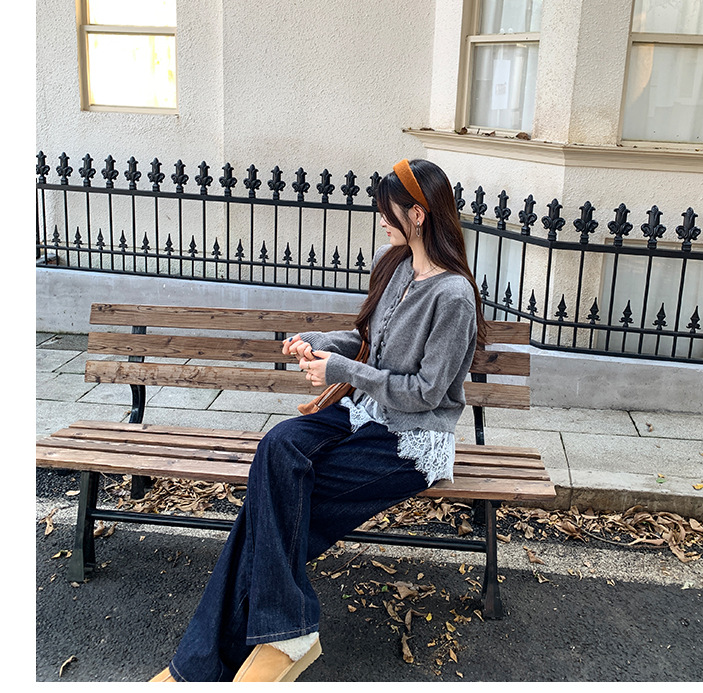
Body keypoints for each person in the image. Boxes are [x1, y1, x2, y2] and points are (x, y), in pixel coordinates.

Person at [150, 158, 486, 682]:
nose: (381, 220)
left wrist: (341, 370)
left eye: (388, 211)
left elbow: (425, 393)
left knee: (269, 514)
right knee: (278, 447)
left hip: (412, 440)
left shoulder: (453, 296)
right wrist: (319, 343)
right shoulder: (396, 267)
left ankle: (201, 668)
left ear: (417, 215)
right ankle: (284, 635)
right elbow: (369, 344)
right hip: (364, 415)